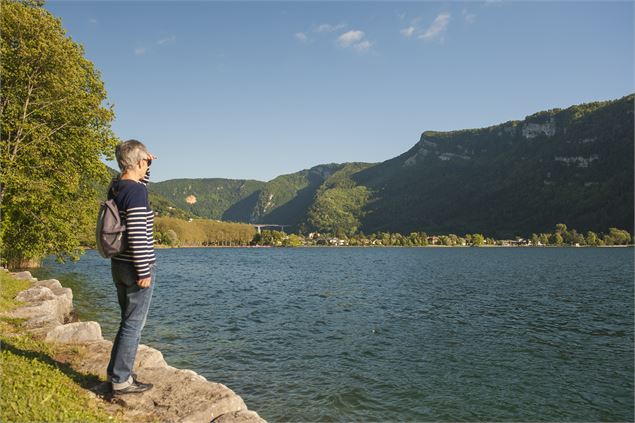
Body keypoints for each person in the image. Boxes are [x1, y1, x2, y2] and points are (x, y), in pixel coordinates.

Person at [107, 139, 157, 395]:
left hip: (119, 265)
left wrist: (146, 165)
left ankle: (117, 371)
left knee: (126, 320)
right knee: (132, 324)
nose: (147, 165)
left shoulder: (117, 187)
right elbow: (137, 233)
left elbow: (138, 183)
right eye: (145, 162)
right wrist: (144, 271)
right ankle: (121, 380)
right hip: (135, 267)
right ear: (139, 162)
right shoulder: (136, 192)